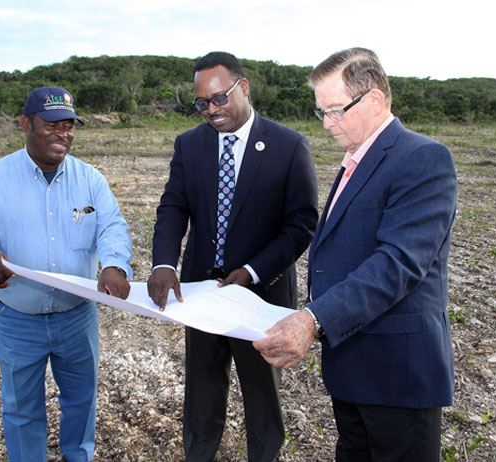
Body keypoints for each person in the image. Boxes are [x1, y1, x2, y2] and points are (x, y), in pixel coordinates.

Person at [254, 47, 457, 461]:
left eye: (335, 110)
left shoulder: (421, 158)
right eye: (321, 112)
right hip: (353, 369)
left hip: (397, 376)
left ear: (375, 100)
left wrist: (313, 319)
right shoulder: (357, 159)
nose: (327, 124)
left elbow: (397, 264)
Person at [147, 51, 318, 461]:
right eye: (202, 103)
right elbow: (173, 207)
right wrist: (164, 264)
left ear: (243, 88)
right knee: (202, 388)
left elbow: (300, 225)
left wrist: (253, 271)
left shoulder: (288, 146)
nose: (211, 110)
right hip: (201, 294)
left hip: (262, 294)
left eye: (219, 98)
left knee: (262, 392)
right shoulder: (190, 144)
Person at [0, 86, 133, 462]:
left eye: (68, 125)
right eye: (51, 124)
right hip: (18, 319)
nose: (61, 133)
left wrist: (114, 264)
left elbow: (112, 227)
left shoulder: (90, 180)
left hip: (77, 317)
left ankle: (77, 457)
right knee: (21, 409)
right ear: (26, 124)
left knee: (81, 402)